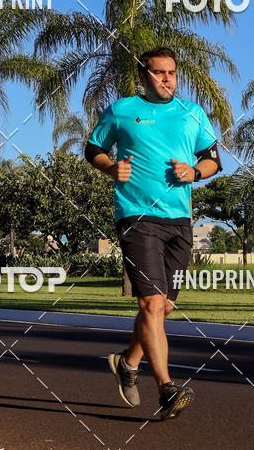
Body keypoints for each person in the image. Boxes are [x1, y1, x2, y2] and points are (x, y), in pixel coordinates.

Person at [84, 48, 222, 420]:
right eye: (159, 72)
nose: (166, 79)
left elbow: (213, 159)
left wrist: (195, 172)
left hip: (180, 220)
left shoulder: (192, 113)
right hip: (136, 216)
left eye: (171, 73)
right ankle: (166, 388)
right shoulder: (122, 110)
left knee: (164, 307)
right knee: (151, 304)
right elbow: (93, 149)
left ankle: (128, 363)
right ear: (144, 76)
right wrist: (111, 167)